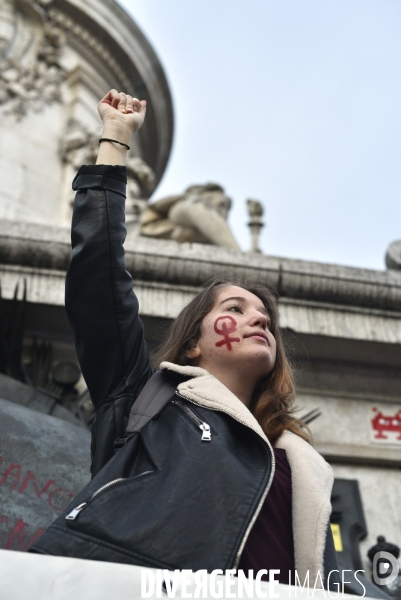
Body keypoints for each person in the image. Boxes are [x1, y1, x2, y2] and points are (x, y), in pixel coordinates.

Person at [34, 90, 341, 589]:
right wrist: (115, 139)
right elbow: (98, 278)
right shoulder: (144, 398)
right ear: (192, 344)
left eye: (265, 317)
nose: (258, 321)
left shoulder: (296, 458)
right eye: (234, 310)